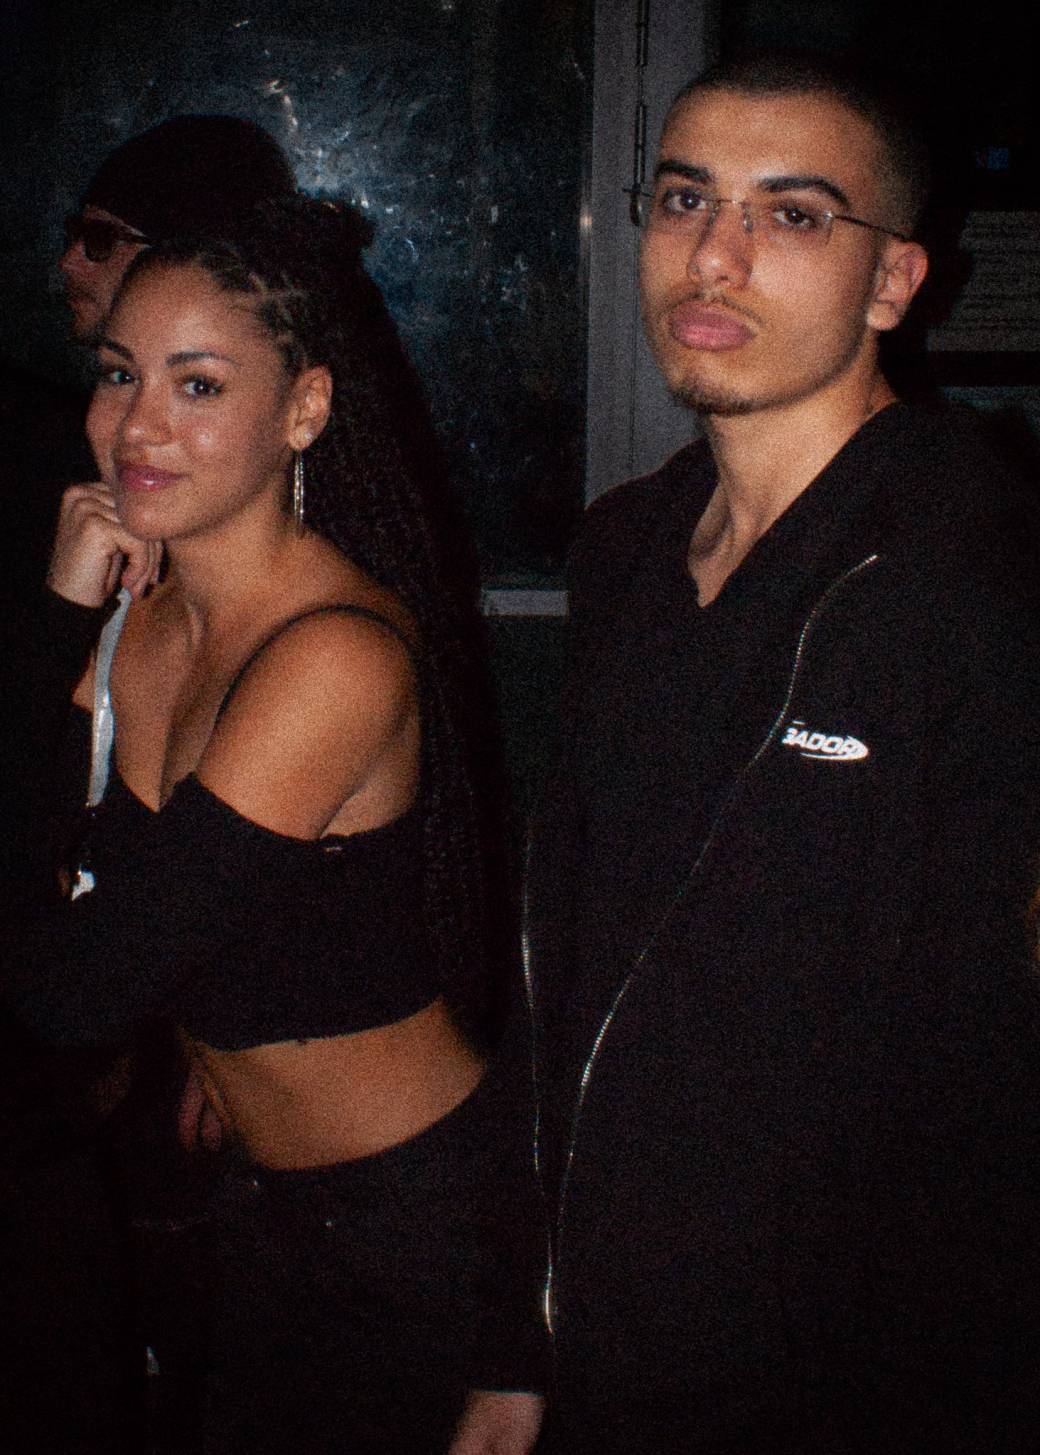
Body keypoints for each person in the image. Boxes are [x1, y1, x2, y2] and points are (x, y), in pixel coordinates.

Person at [526, 50, 1040, 1453]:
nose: (716, 255)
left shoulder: (969, 581)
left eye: (793, 215)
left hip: (850, 1374)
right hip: (613, 1335)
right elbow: (571, 962)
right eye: (685, 199)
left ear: (892, 282)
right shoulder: (627, 547)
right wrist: (522, 1330)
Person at [4, 195, 544, 1453]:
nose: (139, 426)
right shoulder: (143, 614)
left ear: (303, 410)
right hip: (263, 1207)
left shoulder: (331, 657)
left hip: (415, 1221)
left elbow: (76, 990)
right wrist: (63, 616)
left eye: (198, 385)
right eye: (121, 374)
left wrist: (52, 641)